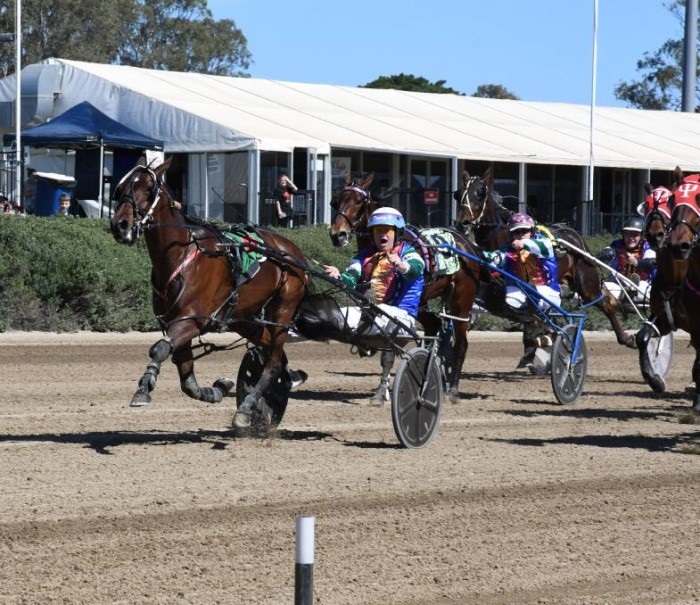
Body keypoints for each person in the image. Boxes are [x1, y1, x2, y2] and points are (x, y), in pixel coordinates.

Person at [323, 207, 425, 337]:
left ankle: (366, 320)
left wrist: (401, 265)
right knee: (333, 314)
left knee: (377, 310)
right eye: (378, 230)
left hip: (402, 317)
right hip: (369, 313)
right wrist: (338, 277)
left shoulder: (408, 253)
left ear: (398, 233)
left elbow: (416, 269)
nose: (382, 234)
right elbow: (351, 278)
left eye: (387, 230)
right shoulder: (364, 256)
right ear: (372, 234)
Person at [483, 212, 561, 313]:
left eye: (524, 231)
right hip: (519, 290)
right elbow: (494, 258)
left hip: (547, 292)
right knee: (499, 297)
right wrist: (478, 252)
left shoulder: (544, 244)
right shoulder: (507, 250)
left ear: (532, 232)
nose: (520, 235)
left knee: (530, 292)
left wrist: (523, 243)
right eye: (516, 232)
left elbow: (538, 246)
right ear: (511, 235)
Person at [597, 216, 655, 304]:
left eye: (635, 235)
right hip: (619, 285)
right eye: (628, 234)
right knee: (604, 288)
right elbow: (606, 252)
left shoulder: (647, 247)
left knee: (642, 287)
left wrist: (637, 263)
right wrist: (600, 256)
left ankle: (631, 293)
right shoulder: (617, 245)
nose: (631, 237)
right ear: (623, 235)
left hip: (642, 286)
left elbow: (651, 263)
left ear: (642, 236)